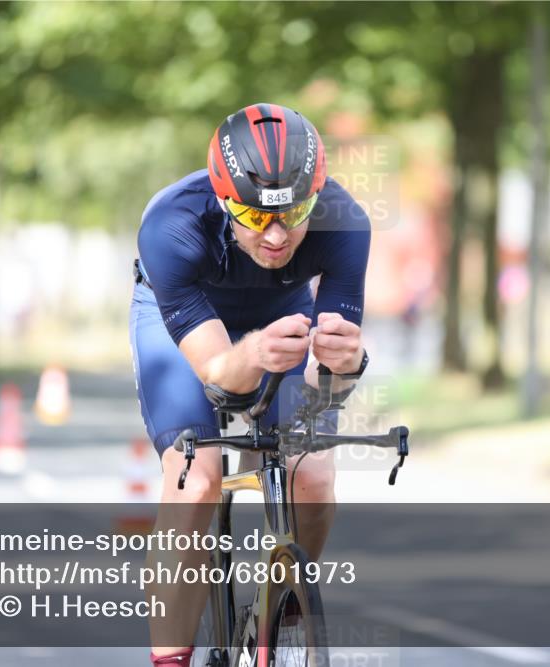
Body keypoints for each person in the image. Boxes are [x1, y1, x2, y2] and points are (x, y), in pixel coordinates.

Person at [129, 103, 371, 666]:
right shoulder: (171, 227)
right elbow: (219, 379)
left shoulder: (345, 223)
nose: (278, 235)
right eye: (258, 217)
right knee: (196, 480)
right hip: (188, 324)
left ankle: (285, 613)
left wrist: (346, 366)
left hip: (282, 313)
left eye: (295, 211)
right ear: (224, 200)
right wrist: (256, 354)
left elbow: (324, 391)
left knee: (311, 470)